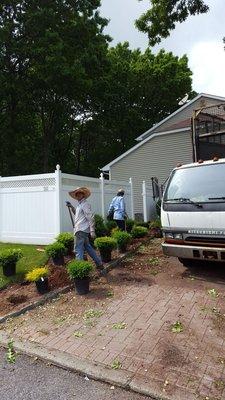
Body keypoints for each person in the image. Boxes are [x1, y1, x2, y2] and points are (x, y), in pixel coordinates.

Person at [68, 187, 103, 270]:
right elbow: (77, 214)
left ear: (83, 194)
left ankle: (79, 269)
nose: (77, 195)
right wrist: (71, 207)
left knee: (78, 249)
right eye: (76, 194)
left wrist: (92, 230)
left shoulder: (85, 204)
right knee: (88, 247)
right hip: (81, 230)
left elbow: (90, 217)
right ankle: (99, 263)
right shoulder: (80, 205)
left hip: (81, 230)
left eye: (79, 193)